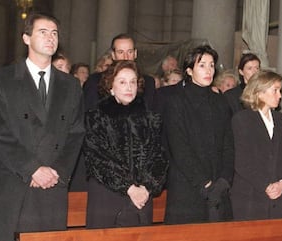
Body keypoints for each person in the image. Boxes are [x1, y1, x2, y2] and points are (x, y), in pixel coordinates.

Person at [0, 13, 85, 241]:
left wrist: (58, 172)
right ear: (26, 38)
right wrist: (32, 168)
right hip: (16, 182)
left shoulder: (71, 85)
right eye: (43, 32)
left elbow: (76, 133)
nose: (50, 38)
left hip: (53, 184)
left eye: (54, 33)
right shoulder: (1, 80)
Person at [83, 60, 168, 228]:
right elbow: (97, 158)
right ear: (111, 87)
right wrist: (129, 188)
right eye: (122, 82)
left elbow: (159, 157)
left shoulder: (149, 119)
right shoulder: (96, 118)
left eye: (133, 82)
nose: (129, 87)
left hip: (141, 199)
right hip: (107, 198)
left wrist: (146, 187)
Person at [164, 45, 234, 224]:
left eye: (211, 65)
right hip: (188, 186)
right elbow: (179, 147)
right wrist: (204, 183)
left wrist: (224, 181)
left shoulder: (220, 102)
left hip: (219, 187)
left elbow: (228, 145)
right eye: (202, 65)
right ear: (189, 70)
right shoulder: (176, 101)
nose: (209, 70)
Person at [231, 70, 282, 221]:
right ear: (259, 92)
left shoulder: (281, 120)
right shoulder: (242, 120)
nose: (280, 95)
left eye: (280, 90)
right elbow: (242, 162)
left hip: (277, 196)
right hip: (250, 196)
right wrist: (266, 185)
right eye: (275, 90)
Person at [83, 33, 155, 111]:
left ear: (135, 54)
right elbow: (90, 112)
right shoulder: (96, 80)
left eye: (130, 52)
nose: (126, 57)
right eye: (121, 52)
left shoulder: (148, 82)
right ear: (113, 55)